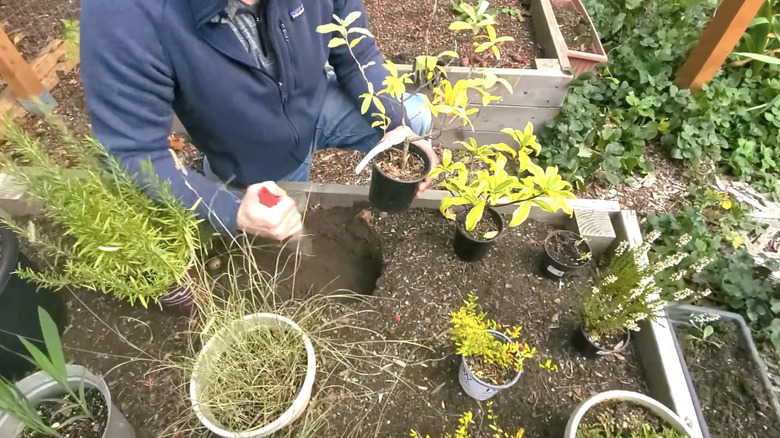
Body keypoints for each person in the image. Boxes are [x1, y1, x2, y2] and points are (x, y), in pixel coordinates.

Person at [80, 0, 438, 240]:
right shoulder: (125, 14)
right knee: (281, 231)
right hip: (254, 159)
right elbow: (130, 153)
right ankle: (232, 179)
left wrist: (395, 122)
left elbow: (356, 51)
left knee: (416, 116)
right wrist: (229, 210)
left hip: (313, 107)